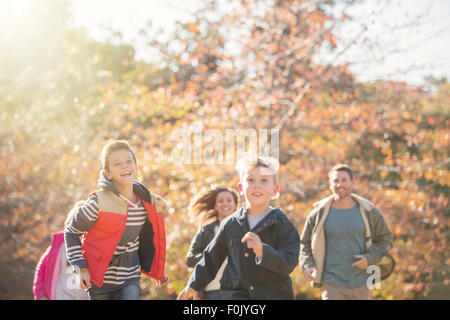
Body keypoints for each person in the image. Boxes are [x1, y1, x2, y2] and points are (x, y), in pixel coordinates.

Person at [177, 153, 300, 300]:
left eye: (264, 180)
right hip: (236, 295)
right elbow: (211, 258)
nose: (257, 185)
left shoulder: (282, 224)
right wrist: (193, 284)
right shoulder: (231, 223)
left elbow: (289, 262)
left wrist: (263, 251)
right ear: (241, 188)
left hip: (272, 295)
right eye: (251, 180)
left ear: (274, 190)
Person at [64, 140, 169, 300]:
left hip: (129, 278)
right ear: (108, 173)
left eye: (129, 161)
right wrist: (80, 268)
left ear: (135, 166)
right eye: (117, 164)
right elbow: (71, 231)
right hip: (99, 280)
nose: (125, 166)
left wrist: (158, 270)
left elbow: (150, 240)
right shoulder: (98, 203)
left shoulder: (147, 203)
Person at [299, 164, 393, 300]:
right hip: (331, 283)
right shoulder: (319, 213)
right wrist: (307, 265)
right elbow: (304, 243)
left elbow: (385, 239)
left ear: (352, 182)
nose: (340, 184)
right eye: (336, 181)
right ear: (330, 184)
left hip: (362, 283)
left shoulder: (369, 211)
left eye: (344, 180)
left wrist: (370, 257)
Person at [185, 186, 239, 299]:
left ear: (235, 204)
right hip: (212, 291)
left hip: (238, 290)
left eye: (229, 200)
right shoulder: (206, 231)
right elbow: (190, 259)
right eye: (220, 201)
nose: (225, 204)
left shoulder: (243, 228)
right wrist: (211, 256)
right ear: (215, 205)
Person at [33, 202, 89, 300]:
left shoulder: (93, 246)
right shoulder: (59, 246)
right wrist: (40, 294)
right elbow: (41, 269)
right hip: (61, 296)